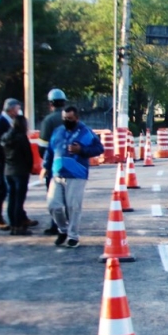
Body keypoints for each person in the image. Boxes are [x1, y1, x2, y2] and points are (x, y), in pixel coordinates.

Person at [41, 105, 104, 248]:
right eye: (64, 118)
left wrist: (81, 150)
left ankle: (73, 235)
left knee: (73, 206)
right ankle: (62, 230)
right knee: (53, 205)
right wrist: (45, 167)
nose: (66, 121)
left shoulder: (85, 132)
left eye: (69, 118)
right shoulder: (58, 131)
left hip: (76, 174)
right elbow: (50, 150)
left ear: (76, 118)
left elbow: (99, 148)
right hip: (57, 173)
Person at [38, 88, 66, 236]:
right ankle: (69, 224)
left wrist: (46, 164)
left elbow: (42, 146)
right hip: (71, 164)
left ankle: (56, 225)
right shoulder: (71, 117)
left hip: (54, 164)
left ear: (50, 104)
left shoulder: (48, 121)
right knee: (68, 196)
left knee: (54, 197)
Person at [0, 98, 21, 230]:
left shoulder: (9, 121)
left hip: (8, 162)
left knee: (14, 190)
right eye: (17, 109)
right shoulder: (1, 123)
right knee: (2, 190)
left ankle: (21, 216)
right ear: (11, 109)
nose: (18, 112)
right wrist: (4, 159)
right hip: (2, 162)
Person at [1, 114, 35, 235]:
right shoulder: (21, 138)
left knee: (12, 198)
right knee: (19, 200)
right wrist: (30, 167)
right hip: (20, 171)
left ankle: (13, 224)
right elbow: (28, 155)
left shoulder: (5, 137)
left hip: (8, 170)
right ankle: (18, 226)